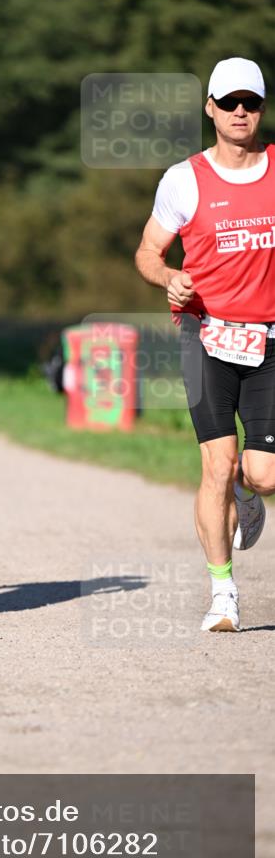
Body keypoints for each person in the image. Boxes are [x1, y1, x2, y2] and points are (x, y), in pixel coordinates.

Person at [135, 57, 274, 633]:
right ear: (210, 109)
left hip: (269, 338)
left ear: (261, 109)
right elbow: (147, 251)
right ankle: (223, 592)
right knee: (216, 464)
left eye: (251, 102)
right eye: (230, 102)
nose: (241, 112)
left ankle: (249, 489)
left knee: (262, 474)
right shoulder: (184, 179)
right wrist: (168, 277)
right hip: (204, 334)